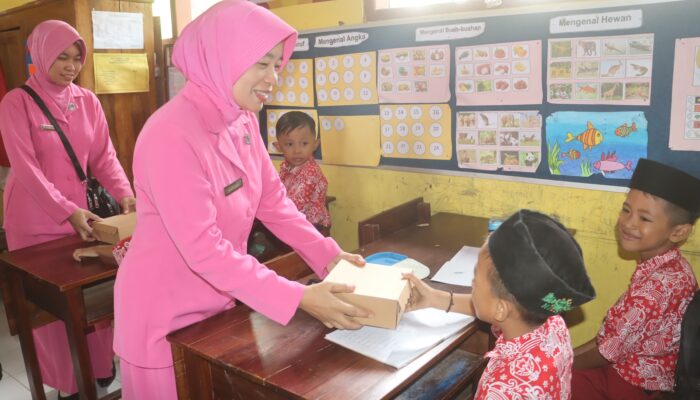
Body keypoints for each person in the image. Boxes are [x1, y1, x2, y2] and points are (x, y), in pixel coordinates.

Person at [113, 2, 370, 398]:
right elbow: (204, 249)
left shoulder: (243, 120)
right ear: (223, 57)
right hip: (162, 313)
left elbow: (274, 203)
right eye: (261, 64)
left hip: (218, 303)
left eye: (277, 66)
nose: (273, 78)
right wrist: (299, 297)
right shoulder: (170, 134)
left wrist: (328, 256)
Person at [0, 20, 135, 399]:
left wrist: (125, 193)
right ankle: (67, 382)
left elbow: (104, 156)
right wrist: (65, 210)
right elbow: (24, 167)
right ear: (41, 54)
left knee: (94, 296)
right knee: (50, 311)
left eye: (77, 58)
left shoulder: (88, 101)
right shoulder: (17, 102)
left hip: (85, 218)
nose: (71, 65)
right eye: (62, 56)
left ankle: (100, 366)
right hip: (34, 221)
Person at [404, 209, 596, 399]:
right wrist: (433, 298)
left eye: (475, 279)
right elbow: (493, 307)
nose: (471, 284)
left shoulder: (503, 390)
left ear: (501, 309)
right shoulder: (553, 322)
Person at [572, 159, 700, 399]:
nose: (628, 223)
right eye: (626, 209)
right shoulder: (673, 266)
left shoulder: (656, 288)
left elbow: (607, 351)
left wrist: (556, 363)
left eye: (645, 219)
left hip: (631, 386)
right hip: (628, 371)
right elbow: (610, 338)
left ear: (679, 232)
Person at [273, 111, 331, 235]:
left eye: (304, 143)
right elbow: (275, 191)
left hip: (314, 229)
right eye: (289, 144)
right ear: (278, 146)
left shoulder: (310, 173)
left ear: (315, 144)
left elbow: (294, 206)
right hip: (294, 225)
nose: (297, 150)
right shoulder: (286, 168)